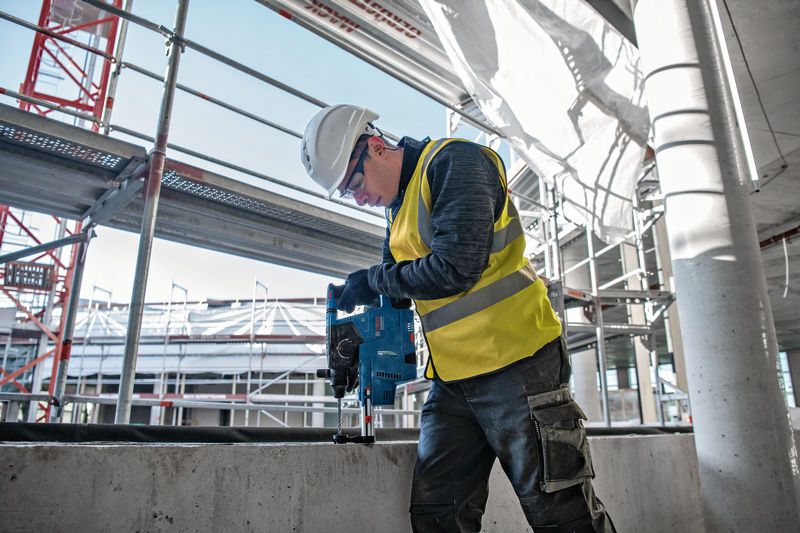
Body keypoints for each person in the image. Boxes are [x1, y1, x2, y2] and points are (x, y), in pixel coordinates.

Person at [301, 104, 615, 533]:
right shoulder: (397, 214)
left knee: (562, 514)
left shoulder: (455, 163)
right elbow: (396, 291)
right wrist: (357, 342)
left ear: (375, 147)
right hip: (453, 382)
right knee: (437, 515)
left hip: (518, 364)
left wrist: (373, 280)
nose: (358, 198)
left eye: (354, 182)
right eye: (346, 193)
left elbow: (455, 268)